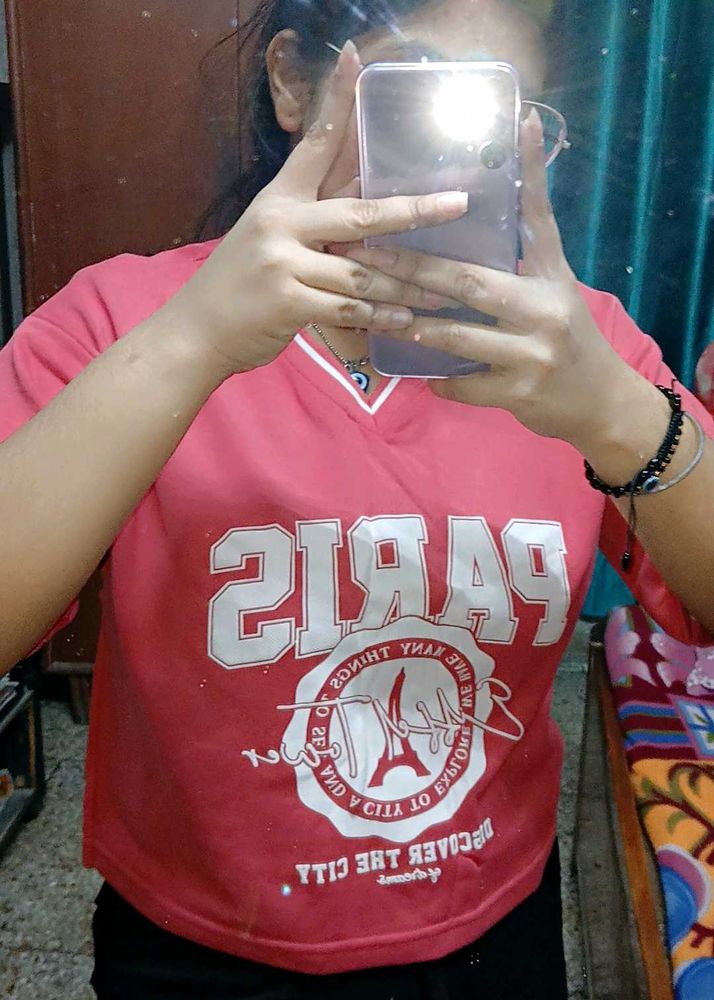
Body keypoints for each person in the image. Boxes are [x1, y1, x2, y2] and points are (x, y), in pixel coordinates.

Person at [0, 1, 712, 997]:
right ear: (293, 84)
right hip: (202, 945)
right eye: (412, 98)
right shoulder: (125, 323)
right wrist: (194, 343)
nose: (451, 167)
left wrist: (621, 418)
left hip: (492, 922)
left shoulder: (577, 353)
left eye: (503, 121)